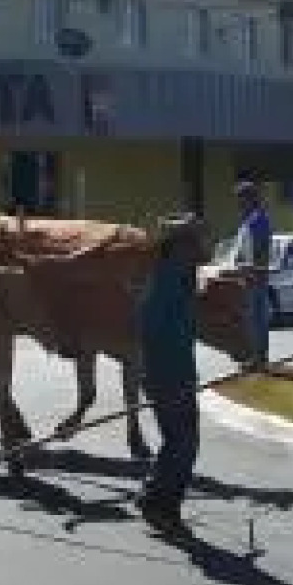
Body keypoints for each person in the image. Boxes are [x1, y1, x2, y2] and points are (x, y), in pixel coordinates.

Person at [134, 213, 207, 535]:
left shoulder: (182, 277)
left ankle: (156, 499)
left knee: (180, 442)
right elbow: (147, 325)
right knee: (182, 443)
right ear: (179, 246)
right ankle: (161, 506)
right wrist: (153, 374)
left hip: (180, 372)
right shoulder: (166, 277)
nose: (198, 247)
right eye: (193, 241)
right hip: (167, 374)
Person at [229, 180, 274, 370]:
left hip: (255, 275)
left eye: (241, 199)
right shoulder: (249, 221)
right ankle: (256, 358)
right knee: (252, 318)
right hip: (249, 273)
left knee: (256, 318)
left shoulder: (259, 221)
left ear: (250, 199)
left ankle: (258, 359)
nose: (238, 204)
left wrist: (252, 268)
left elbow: (261, 249)